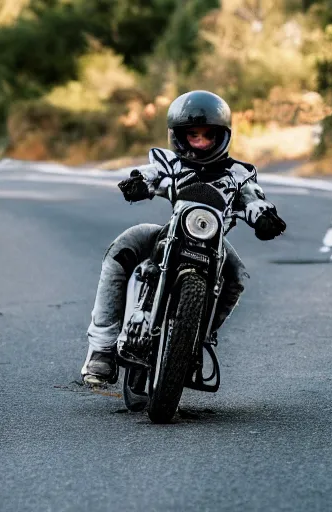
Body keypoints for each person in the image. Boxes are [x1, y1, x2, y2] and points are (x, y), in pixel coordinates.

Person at [81, 90, 287, 386]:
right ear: (179, 136)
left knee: (237, 275)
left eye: (208, 135)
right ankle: (101, 348)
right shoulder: (170, 163)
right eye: (193, 135)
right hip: (170, 232)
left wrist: (264, 217)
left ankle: (198, 338)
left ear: (222, 135)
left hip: (213, 242)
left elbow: (253, 199)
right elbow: (150, 175)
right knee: (122, 249)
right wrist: (137, 183)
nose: (201, 142)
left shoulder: (239, 174)